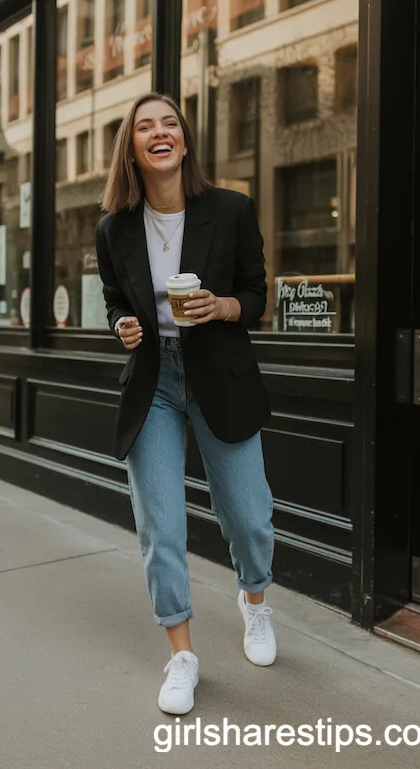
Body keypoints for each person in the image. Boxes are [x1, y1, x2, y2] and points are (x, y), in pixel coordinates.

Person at [95, 92, 275, 715]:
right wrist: (122, 325)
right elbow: (115, 298)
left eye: (169, 122)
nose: (159, 132)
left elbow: (257, 295)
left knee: (249, 517)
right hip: (155, 385)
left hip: (219, 373)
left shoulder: (229, 210)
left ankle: (254, 602)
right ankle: (182, 655)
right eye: (145, 126)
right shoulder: (114, 227)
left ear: (184, 139)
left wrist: (222, 307)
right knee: (160, 529)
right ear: (134, 149)